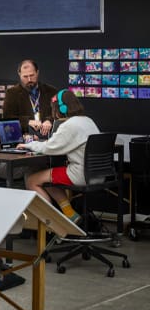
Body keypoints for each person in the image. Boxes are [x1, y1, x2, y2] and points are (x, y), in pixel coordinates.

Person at [17, 89, 100, 223]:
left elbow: (49, 148)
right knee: (45, 178)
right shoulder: (88, 121)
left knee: (32, 180)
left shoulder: (69, 125)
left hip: (79, 175)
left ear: (61, 108)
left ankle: (56, 223)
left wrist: (29, 144)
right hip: (97, 175)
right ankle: (69, 214)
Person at [3, 60, 58, 140]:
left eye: (32, 75)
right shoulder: (11, 93)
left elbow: (60, 114)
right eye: (25, 76)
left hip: (49, 138)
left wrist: (50, 120)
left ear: (37, 72)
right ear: (19, 74)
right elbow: (7, 118)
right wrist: (27, 121)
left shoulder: (51, 91)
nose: (29, 80)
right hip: (25, 138)